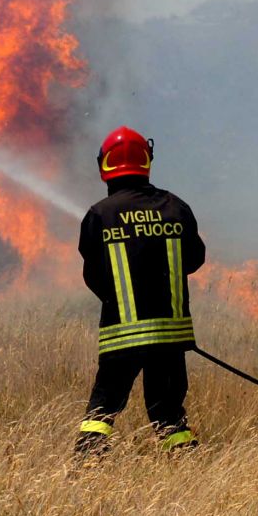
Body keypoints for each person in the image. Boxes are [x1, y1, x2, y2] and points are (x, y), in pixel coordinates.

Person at [75, 125, 206, 456]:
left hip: (122, 336)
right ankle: (186, 463)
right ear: (146, 160)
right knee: (167, 413)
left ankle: (88, 466)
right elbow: (194, 260)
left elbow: (93, 275)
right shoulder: (176, 207)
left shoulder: (100, 215)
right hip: (170, 337)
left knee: (103, 409)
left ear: (105, 164)